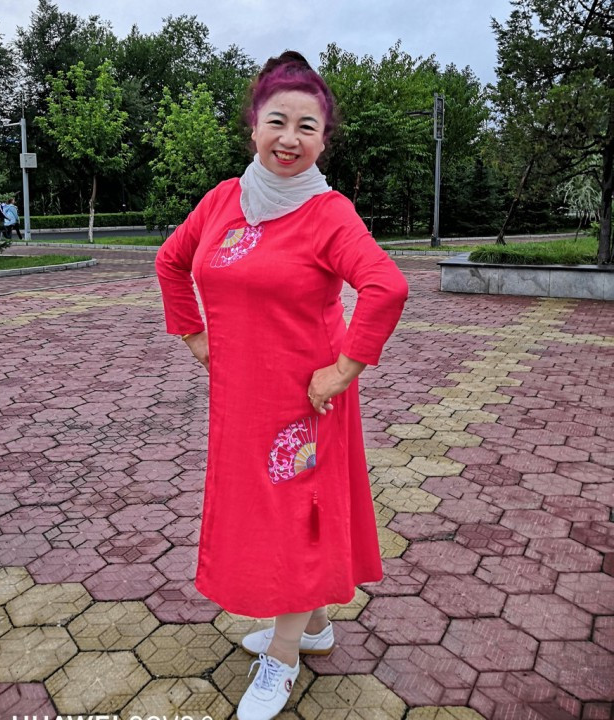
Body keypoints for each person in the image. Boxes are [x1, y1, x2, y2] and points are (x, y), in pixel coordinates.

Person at [155, 51, 408, 720]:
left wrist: (345, 368)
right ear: (254, 128)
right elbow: (171, 261)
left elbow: (386, 286)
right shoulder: (222, 200)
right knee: (267, 512)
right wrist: (194, 336)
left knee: (297, 519)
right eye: (277, 122)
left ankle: (284, 655)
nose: (289, 138)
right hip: (240, 400)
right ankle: (314, 625)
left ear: (324, 141)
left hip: (305, 400)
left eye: (307, 127)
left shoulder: (329, 214)